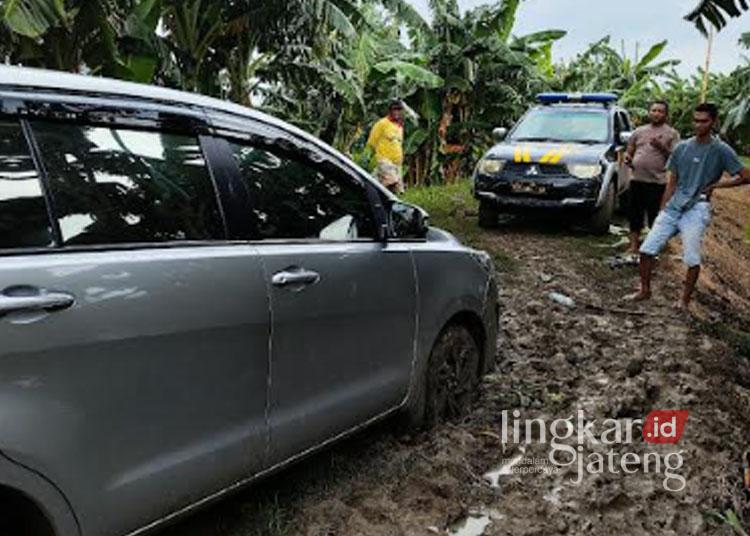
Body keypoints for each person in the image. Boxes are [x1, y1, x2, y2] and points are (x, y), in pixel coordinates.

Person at [627, 102, 750, 310]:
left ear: (713, 122)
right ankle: (644, 290)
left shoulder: (721, 150)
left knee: (691, 257)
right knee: (647, 250)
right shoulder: (682, 147)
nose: (698, 125)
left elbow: (745, 176)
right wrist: (664, 207)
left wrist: (717, 185)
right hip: (674, 206)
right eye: (696, 121)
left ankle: (684, 300)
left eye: (704, 121)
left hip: (697, 207)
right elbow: (672, 180)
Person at [624, 101, 680, 255]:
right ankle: (634, 246)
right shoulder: (639, 131)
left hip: (657, 182)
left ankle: (653, 247)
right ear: (649, 112)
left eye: (660, 111)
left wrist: (662, 147)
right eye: (653, 110)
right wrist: (628, 158)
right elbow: (630, 149)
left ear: (666, 115)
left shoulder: (672, 134)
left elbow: (676, 157)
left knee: (655, 216)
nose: (656, 113)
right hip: (636, 180)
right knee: (634, 215)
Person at [367, 99, 405, 194]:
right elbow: (372, 141)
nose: (397, 112)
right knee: (392, 181)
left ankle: (371, 189)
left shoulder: (399, 126)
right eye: (394, 110)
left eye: (399, 110)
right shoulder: (382, 124)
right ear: (390, 111)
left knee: (397, 192)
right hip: (384, 160)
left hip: (397, 162)